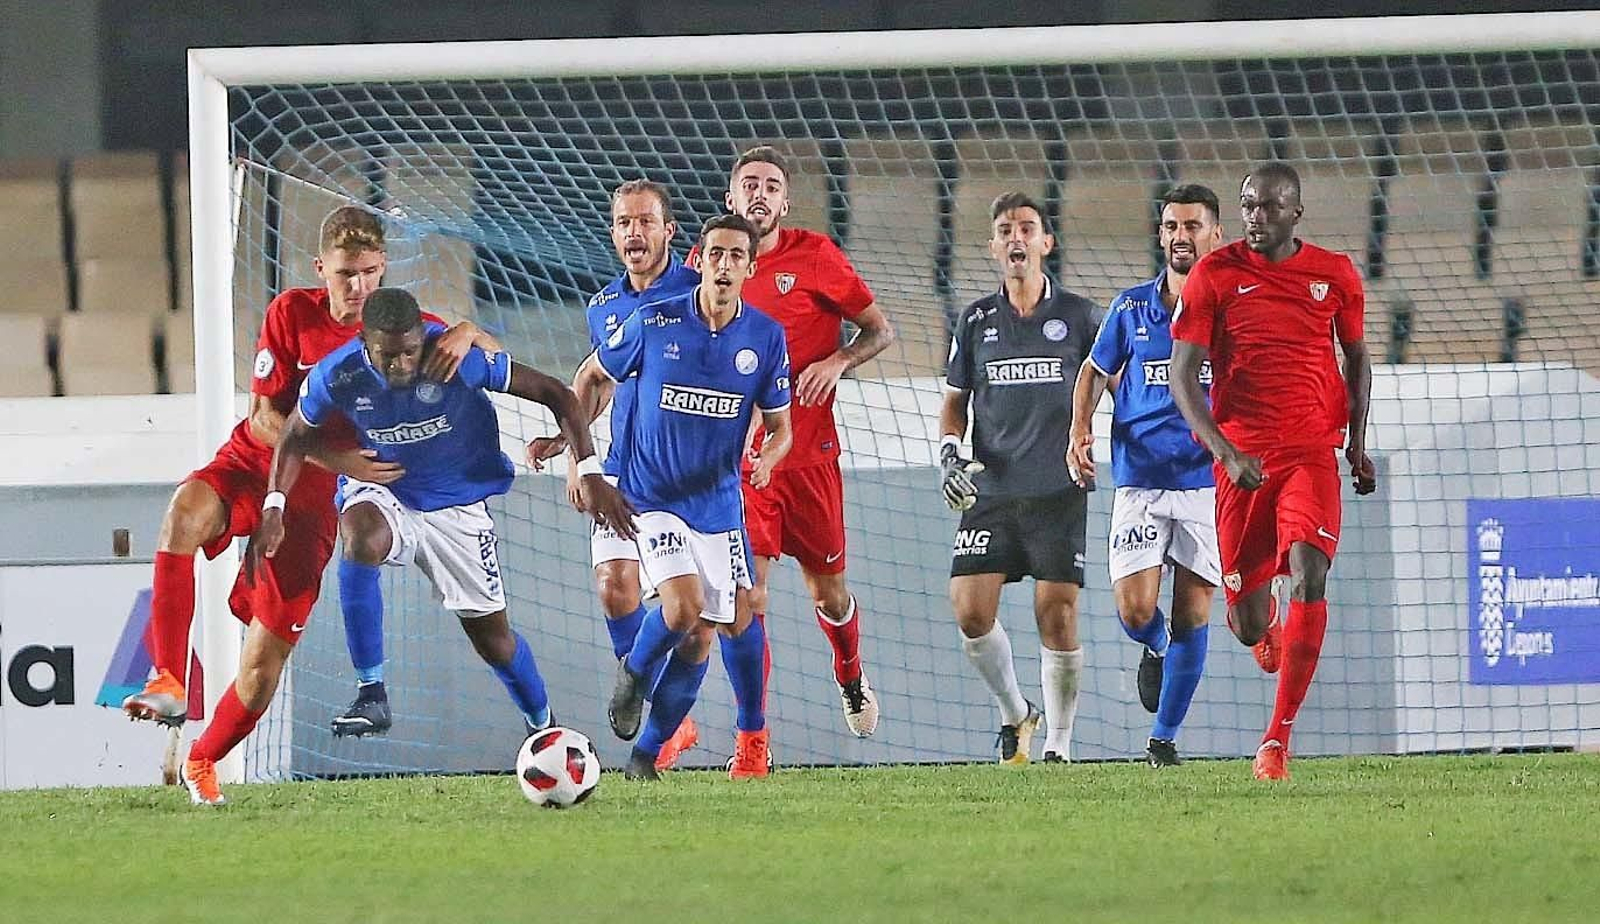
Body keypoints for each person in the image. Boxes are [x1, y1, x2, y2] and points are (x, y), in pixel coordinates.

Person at [208, 288, 633, 808]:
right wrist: (274, 506)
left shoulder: (455, 360)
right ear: (364, 343)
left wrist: (588, 469)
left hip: (457, 506)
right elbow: (295, 434)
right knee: (359, 536)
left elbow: (557, 394)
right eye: (388, 355)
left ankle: (543, 726)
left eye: (410, 351)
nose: (402, 364)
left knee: (494, 642)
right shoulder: (337, 374)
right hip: (387, 488)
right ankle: (371, 691)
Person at [121, 206, 491, 739]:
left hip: (316, 499)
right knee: (184, 511)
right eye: (345, 274)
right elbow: (264, 418)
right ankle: (168, 679)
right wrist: (334, 458)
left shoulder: (403, 330)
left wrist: (469, 331)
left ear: (383, 267)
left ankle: (203, 761)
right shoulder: (291, 312)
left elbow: (496, 356)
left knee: (262, 663)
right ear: (322, 270)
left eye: (368, 272)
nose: (358, 286)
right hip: (258, 461)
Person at [1168, 162, 1376, 781]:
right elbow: (1183, 377)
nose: (1255, 217)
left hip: (1311, 451)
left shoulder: (1334, 274)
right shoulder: (1214, 275)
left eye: (1268, 207)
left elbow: (1357, 358)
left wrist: (1356, 444)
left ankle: (1275, 741)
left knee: (1311, 569)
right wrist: (1226, 452)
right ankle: (1268, 623)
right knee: (1245, 622)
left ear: (1295, 213)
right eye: (1248, 205)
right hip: (1244, 463)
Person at [577, 214, 792, 781]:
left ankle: (645, 755)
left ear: (751, 267)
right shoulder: (654, 320)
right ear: (701, 259)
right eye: (715, 254)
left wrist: (769, 458)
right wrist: (581, 458)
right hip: (651, 496)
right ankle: (635, 673)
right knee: (682, 606)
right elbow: (591, 374)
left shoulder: (765, 337)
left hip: (717, 504)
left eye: (736, 256)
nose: (725, 265)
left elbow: (781, 427)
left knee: (710, 632)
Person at [714, 145, 896, 754]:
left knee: (829, 594)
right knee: (749, 597)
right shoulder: (710, 262)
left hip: (812, 459)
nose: (759, 194)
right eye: (749, 184)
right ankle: (753, 735)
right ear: (731, 197)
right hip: (748, 466)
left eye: (771, 186)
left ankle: (851, 676)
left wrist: (838, 360)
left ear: (785, 203)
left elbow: (880, 329)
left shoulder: (815, 255)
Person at [525, 178, 705, 771]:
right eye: (625, 222)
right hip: (623, 470)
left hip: (683, 480)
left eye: (645, 221)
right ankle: (652, 705)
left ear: (668, 230)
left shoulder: (697, 294)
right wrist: (573, 451)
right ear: (613, 232)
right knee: (613, 588)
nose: (635, 232)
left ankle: (669, 717)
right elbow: (597, 381)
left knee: (696, 623)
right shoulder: (604, 305)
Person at [1067, 184, 1225, 768]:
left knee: (1195, 610)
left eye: (1192, 226)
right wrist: (1079, 429)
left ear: (1216, 234)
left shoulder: (1230, 310)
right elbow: (1093, 370)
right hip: (1139, 479)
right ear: (1161, 234)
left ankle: (1163, 740)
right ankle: (1156, 647)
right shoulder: (1131, 308)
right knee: (1136, 612)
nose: (1181, 236)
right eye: (1171, 226)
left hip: (1206, 483)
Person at [940, 192, 1098, 764]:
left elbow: (1109, 381)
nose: (1016, 238)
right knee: (970, 611)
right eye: (1005, 230)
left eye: (1027, 228)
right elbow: (955, 400)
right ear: (992, 247)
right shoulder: (975, 320)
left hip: (1059, 487)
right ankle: (1016, 712)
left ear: (1046, 242)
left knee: (1056, 613)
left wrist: (1091, 436)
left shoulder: (1081, 317)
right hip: (992, 487)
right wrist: (949, 453)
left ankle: (1058, 745)